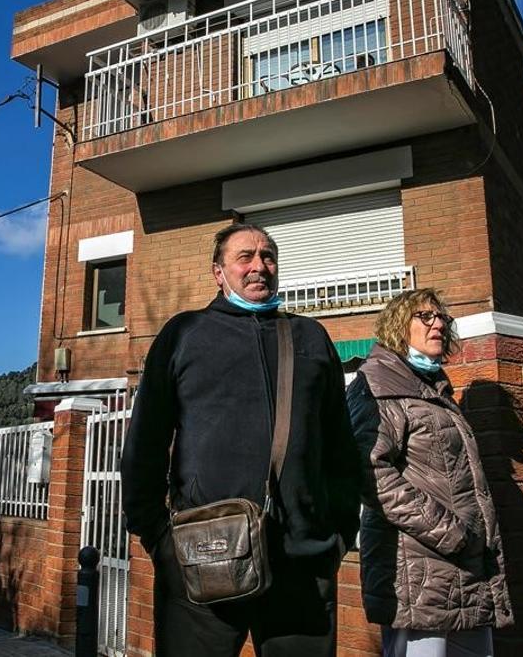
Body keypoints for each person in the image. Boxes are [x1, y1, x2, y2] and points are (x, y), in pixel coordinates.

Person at [121, 223, 361, 657]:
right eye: (244, 257)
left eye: (267, 256)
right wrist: (158, 538)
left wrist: (340, 532)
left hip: (302, 563)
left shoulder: (310, 337)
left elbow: (341, 446)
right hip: (204, 554)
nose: (259, 267)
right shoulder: (184, 335)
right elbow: (145, 442)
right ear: (219, 272)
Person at [346, 289, 513, 657]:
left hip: (466, 569)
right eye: (425, 317)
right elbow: (369, 473)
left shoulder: (432, 388)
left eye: (442, 318)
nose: (438, 323)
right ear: (397, 325)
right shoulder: (378, 385)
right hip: (418, 574)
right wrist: (450, 532)